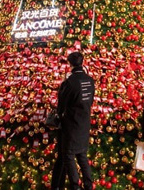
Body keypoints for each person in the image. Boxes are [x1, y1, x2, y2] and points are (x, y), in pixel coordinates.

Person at [50, 52, 95, 190]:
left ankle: (75, 186)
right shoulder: (90, 80)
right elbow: (90, 100)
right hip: (84, 124)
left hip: (71, 126)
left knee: (68, 155)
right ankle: (88, 185)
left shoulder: (70, 83)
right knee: (82, 156)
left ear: (69, 64)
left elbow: (61, 105)